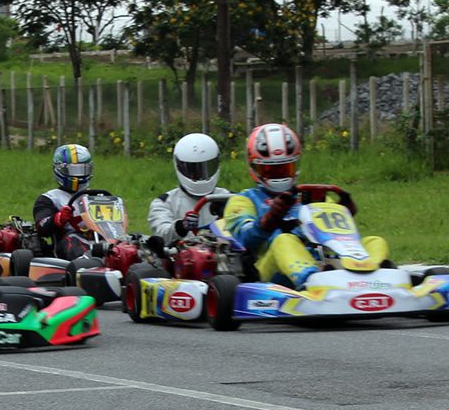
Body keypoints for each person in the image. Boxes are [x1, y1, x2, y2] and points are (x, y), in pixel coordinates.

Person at [223, 123, 369, 289]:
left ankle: (376, 276)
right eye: (270, 170)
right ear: (255, 168)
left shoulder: (310, 196)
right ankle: (311, 282)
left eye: (285, 168)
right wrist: (270, 219)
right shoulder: (243, 200)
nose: (279, 175)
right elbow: (245, 239)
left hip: (322, 260)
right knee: (284, 240)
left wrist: (345, 210)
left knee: (373, 241)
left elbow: (337, 232)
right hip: (270, 270)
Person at [32, 144, 114, 260]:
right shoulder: (49, 199)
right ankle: (87, 264)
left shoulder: (96, 196)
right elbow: (42, 228)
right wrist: (58, 218)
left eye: (83, 169)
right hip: (68, 245)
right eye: (74, 170)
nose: (79, 175)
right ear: (60, 169)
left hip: (99, 240)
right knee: (74, 240)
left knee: (130, 242)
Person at [148, 133, 231, 246]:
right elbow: (162, 234)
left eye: (206, 168)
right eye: (193, 171)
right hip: (183, 260)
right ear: (179, 166)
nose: (200, 175)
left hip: (225, 259)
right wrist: (181, 227)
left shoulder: (229, 198)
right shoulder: (164, 203)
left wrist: (230, 215)